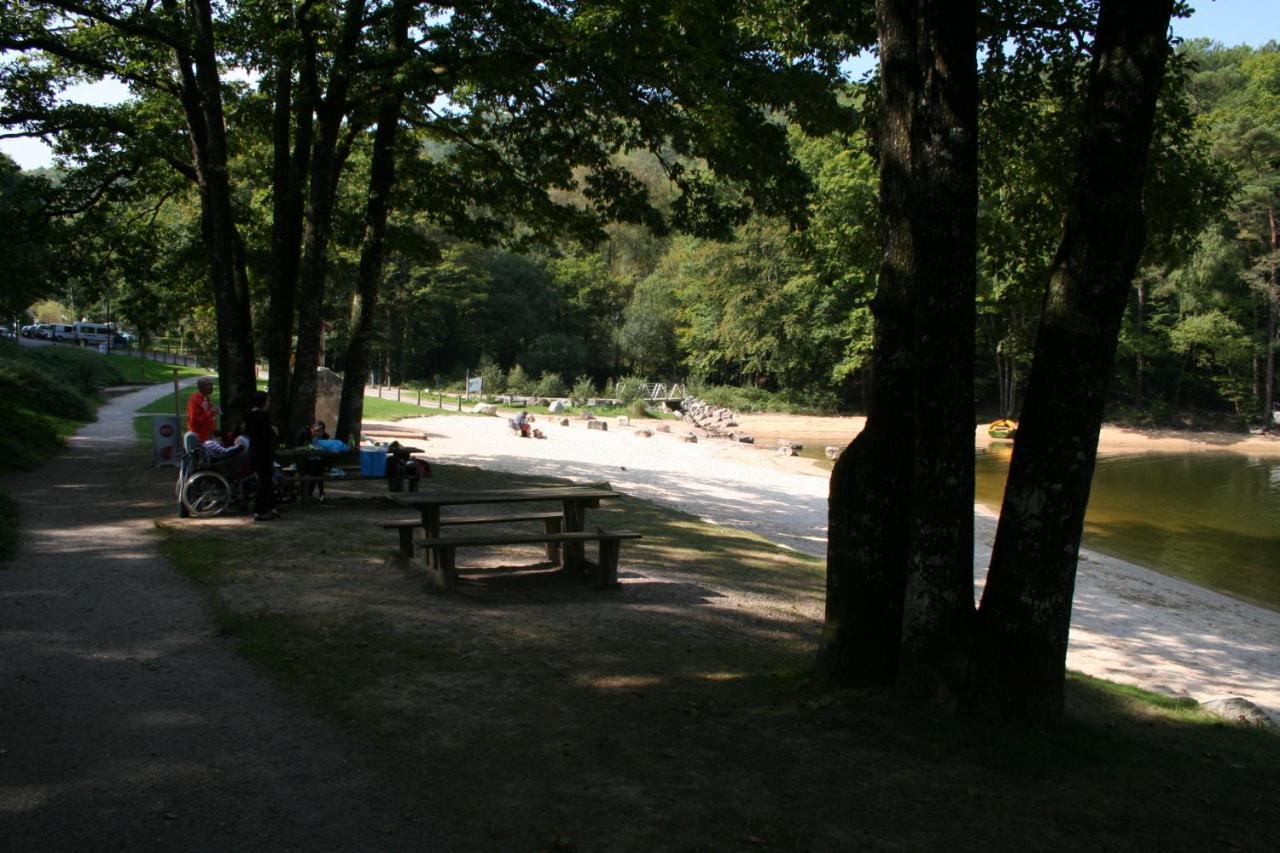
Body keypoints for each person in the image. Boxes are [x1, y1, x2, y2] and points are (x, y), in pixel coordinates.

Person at [244, 390, 278, 521]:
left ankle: (270, 506)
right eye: (267, 401)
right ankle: (260, 510)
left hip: (254, 452)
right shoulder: (262, 417)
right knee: (264, 482)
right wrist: (273, 431)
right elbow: (265, 436)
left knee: (265, 481)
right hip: (263, 453)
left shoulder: (248, 415)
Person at [294, 420, 330, 503]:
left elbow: (325, 444)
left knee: (319, 467)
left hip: (315, 459)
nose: (318, 434)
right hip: (304, 460)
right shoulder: (303, 434)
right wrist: (308, 448)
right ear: (313, 429)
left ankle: (318, 493)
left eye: (320, 432)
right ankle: (312, 494)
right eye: (317, 432)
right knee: (314, 470)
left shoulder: (323, 436)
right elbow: (297, 448)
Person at [186, 377, 218, 442]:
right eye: (210, 385)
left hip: (208, 435)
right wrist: (211, 412)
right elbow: (194, 421)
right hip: (199, 437)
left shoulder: (206, 398)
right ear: (202, 387)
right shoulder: (195, 400)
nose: (212, 387)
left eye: (212, 385)